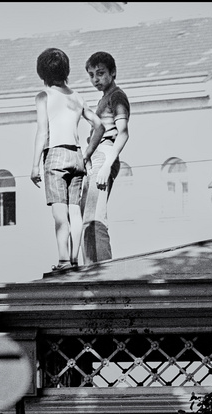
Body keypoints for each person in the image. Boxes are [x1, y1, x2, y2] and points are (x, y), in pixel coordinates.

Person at [30, 47, 104, 272]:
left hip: (55, 155)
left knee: (59, 212)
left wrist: (35, 166)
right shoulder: (76, 96)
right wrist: (87, 152)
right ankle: (73, 260)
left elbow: (43, 131)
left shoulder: (43, 96)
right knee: (75, 210)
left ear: (42, 72)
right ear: (66, 70)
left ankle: (62, 260)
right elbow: (99, 125)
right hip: (76, 155)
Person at [80, 51, 130, 265]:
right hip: (97, 156)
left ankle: (104, 271)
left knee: (95, 216)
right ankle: (90, 268)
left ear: (113, 72)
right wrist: (86, 156)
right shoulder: (103, 100)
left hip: (106, 155)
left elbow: (123, 133)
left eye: (100, 73)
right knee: (86, 218)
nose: (95, 79)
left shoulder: (117, 96)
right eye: (91, 75)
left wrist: (107, 165)